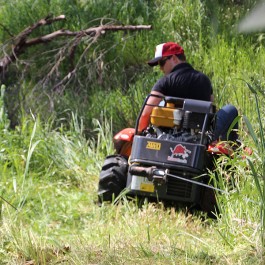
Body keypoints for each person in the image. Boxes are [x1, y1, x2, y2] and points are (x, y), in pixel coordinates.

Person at [138, 41, 238, 142]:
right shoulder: (204, 79)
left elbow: (146, 112)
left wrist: (138, 134)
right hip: (203, 138)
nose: (160, 68)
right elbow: (211, 108)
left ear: (173, 58)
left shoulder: (165, 81)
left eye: (161, 63)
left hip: (172, 138)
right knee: (230, 109)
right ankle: (229, 149)